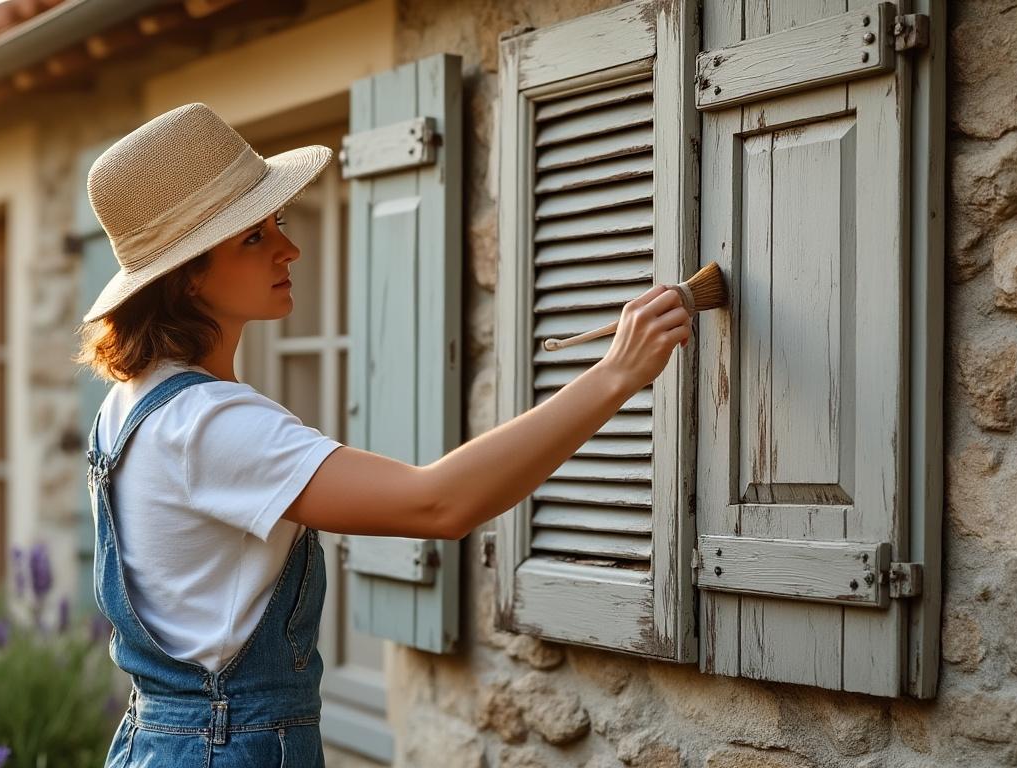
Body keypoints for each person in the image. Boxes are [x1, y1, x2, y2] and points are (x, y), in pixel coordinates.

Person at [75, 102, 692, 768]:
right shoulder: (210, 426)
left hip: (154, 744)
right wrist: (616, 376)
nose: (290, 247)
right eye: (252, 238)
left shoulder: (130, 403)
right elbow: (438, 504)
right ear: (186, 276)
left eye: (274, 223)